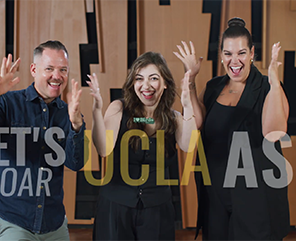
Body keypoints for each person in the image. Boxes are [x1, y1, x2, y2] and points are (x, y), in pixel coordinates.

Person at [174, 17, 290, 241]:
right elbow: (196, 123)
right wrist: (191, 80)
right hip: (216, 193)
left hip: (256, 195)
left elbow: (273, 132)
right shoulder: (213, 87)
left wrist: (275, 81)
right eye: (228, 53)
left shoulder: (267, 86)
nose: (234, 60)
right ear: (221, 55)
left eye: (241, 53)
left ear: (252, 53)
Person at [87, 51, 196, 241]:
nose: (146, 85)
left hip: (157, 210)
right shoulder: (118, 109)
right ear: (132, 83)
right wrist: (97, 110)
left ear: (164, 84)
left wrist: (187, 105)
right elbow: (103, 149)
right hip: (116, 206)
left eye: (153, 78)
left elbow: (188, 145)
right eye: (139, 79)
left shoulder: (174, 118)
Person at [0, 40, 85, 240]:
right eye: (49, 69)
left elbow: (76, 163)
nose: (57, 76)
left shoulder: (69, 113)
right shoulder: (7, 103)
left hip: (53, 223)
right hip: (14, 221)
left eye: (63, 69)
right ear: (34, 69)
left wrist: (76, 126)